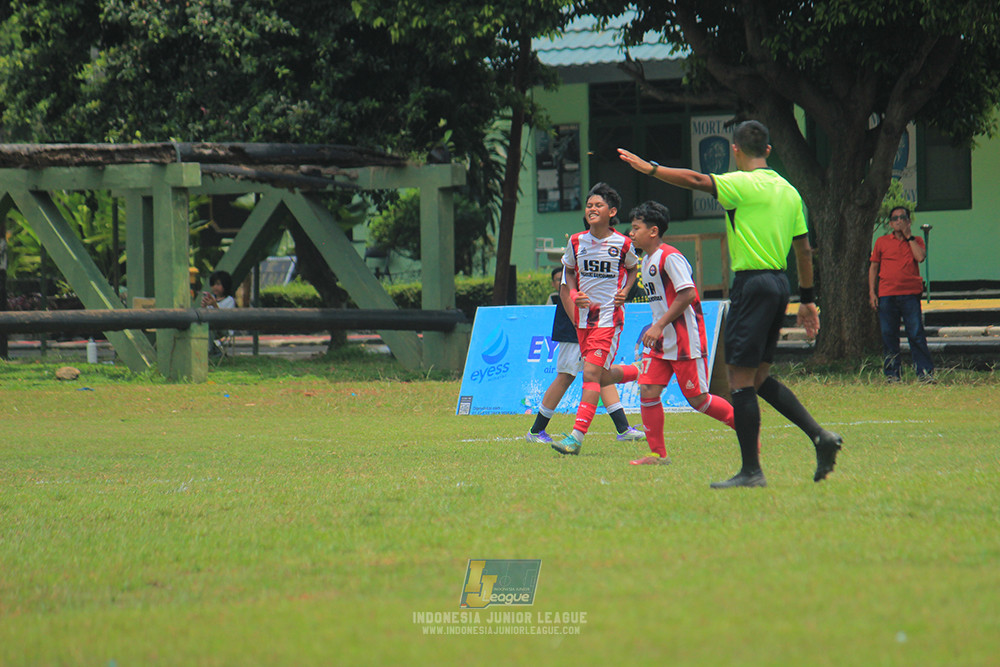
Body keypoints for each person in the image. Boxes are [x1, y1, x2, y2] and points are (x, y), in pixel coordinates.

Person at [618, 120, 843, 488]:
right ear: (768, 150)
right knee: (759, 378)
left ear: (735, 150)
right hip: (780, 284)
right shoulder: (790, 192)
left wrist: (651, 169)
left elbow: (694, 181)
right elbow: (804, 249)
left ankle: (752, 471)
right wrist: (807, 300)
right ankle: (820, 436)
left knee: (739, 380)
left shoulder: (740, 184)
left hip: (752, 283)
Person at [626, 201, 738, 465]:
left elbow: (688, 294)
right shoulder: (646, 260)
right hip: (660, 342)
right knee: (648, 390)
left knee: (697, 400)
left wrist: (659, 324)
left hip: (684, 339)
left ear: (653, 231)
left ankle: (745, 427)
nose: (631, 233)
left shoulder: (670, 257)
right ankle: (657, 454)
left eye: (635, 228)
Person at [552, 182, 641, 455]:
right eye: (589, 205)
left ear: (611, 212)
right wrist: (575, 291)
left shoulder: (623, 244)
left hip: (608, 319)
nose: (592, 209)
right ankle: (640, 370)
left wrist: (625, 292)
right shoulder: (576, 241)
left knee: (590, 374)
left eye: (598, 205)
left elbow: (633, 269)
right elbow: (568, 271)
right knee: (599, 375)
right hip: (582, 319)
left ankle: (576, 438)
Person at [527, 266, 646, 444]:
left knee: (598, 372)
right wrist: (577, 324)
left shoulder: (606, 254)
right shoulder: (578, 248)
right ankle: (536, 430)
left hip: (596, 325)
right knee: (566, 376)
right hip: (574, 326)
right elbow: (565, 290)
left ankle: (623, 428)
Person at [868, 206, 935, 382]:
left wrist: (909, 236)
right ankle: (892, 374)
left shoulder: (917, 240)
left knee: (915, 334)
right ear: (890, 223)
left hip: (910, 293)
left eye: (902, 217)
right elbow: (874, 266)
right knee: (889, 335)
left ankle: (924, 373)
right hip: (887, 293)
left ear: (908, 221)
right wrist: (871, 292)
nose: (899, 221)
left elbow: (920, 257)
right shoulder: (882, 242)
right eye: (895, 218)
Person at [201, 270, 235, 356]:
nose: (215, 287)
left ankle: (209, 351)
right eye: (213, 284)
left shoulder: (229, 300)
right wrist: (204, 306)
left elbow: (224, 317)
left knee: (210, 328)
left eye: (218, 284)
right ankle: (214, 350)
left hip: (224, 328)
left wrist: (214, 305)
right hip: (212, 327)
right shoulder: (212, 299)